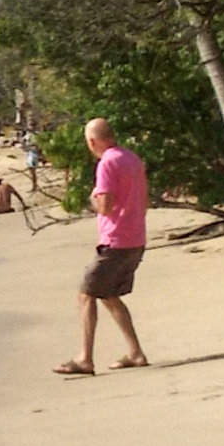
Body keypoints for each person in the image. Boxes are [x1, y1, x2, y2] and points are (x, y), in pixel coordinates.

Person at [57, 117, 151, 376]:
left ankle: (85, 358)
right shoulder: (131, 157)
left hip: (117, 240)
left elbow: (105, 205)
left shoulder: (107, 163)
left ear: (92, 141)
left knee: (86, 293)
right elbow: (145, 197)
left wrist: (92, 201)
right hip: (135, 238)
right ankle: (136, 352)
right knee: (108, 295)